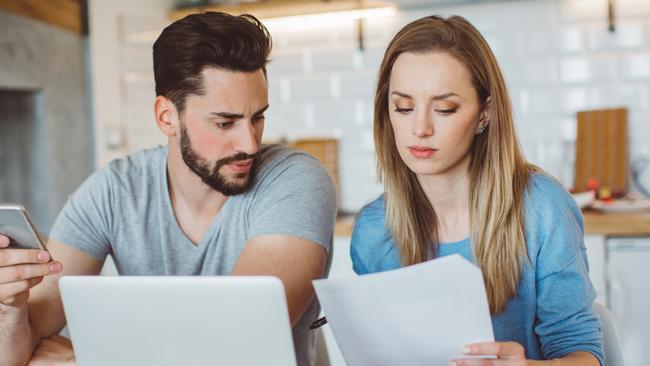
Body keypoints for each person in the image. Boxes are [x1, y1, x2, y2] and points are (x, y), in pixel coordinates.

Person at [0, 12, 336, 366]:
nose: (250, 143)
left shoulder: (296, 181)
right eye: (225, 122)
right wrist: (10, 310)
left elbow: (239, 343)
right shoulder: (112, 192)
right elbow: (18, 351)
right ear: (166, 117)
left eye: (258, 117)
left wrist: (89, 361)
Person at [350, 15, 603, 366]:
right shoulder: (373, 231)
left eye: (445, 108)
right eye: (403, 107)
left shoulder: (541, 208)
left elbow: (584, 352)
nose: (419, 128)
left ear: (484, 113)